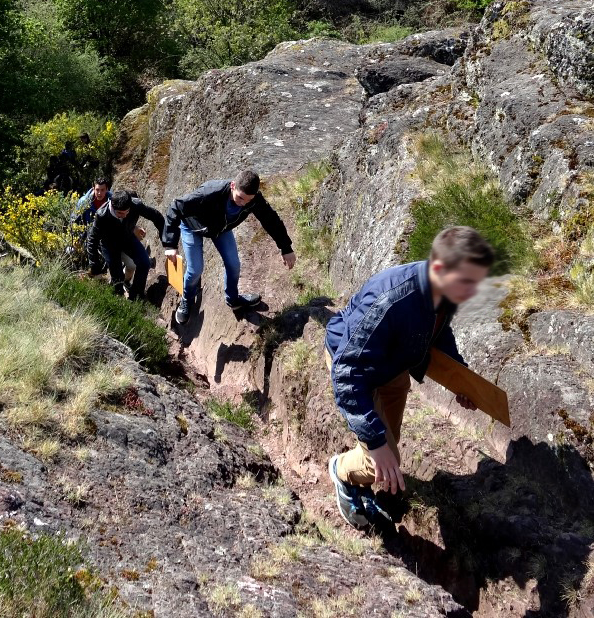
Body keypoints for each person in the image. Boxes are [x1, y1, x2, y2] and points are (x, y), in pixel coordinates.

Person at [325, 225, 494, 530]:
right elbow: (346, 374)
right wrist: (375, 444)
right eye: (468, 282)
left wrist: (461, 378)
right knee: (378, 457)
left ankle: (368, 467)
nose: (473, 291)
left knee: (391, 444)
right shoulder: (390, 301)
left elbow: (439, 333)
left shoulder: (445, 288)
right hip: (356, 370)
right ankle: (340, 471)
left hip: (393, 367)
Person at [163, 169, 296, 325]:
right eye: (240, 198)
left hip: (220, 229)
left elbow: (271, 220)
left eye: (248, 200)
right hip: (192, 227)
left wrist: (286, 248)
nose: (243, 203)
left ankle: (233, 299)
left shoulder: (253, 200)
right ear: (233, 185)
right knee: (195, 269)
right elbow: (176, 207)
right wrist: (170, 244)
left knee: (234, 265)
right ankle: (186, 299)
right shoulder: (210, 192)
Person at [85, 189, 164, 300]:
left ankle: (136, 296)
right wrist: (95, 267)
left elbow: (156, 217)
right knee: (117, 277)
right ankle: (118, 297)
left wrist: (167, 241)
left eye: (127, 212)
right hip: (109, 245)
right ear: (112, 206)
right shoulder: (101, 215)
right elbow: (92, 240)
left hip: (127, 238)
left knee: (144, 263)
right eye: (120, 213)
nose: (125, 216)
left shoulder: (135, 205)